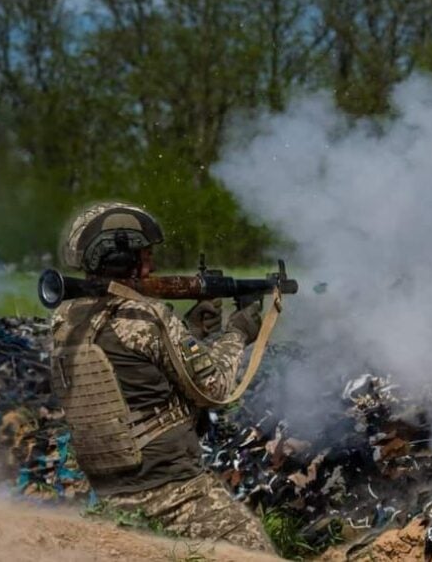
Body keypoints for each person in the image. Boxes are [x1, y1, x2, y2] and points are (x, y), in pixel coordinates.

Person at [50, 201, 274, 552]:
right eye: (144, 256)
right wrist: (237, 333)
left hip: (108, 490)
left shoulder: (65, 319)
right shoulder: (148, 317)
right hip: (172, 491)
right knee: (254, 553)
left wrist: (190, 331)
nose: (150, 265)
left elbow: (133, 365)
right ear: (122, 260)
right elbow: (213, 388)